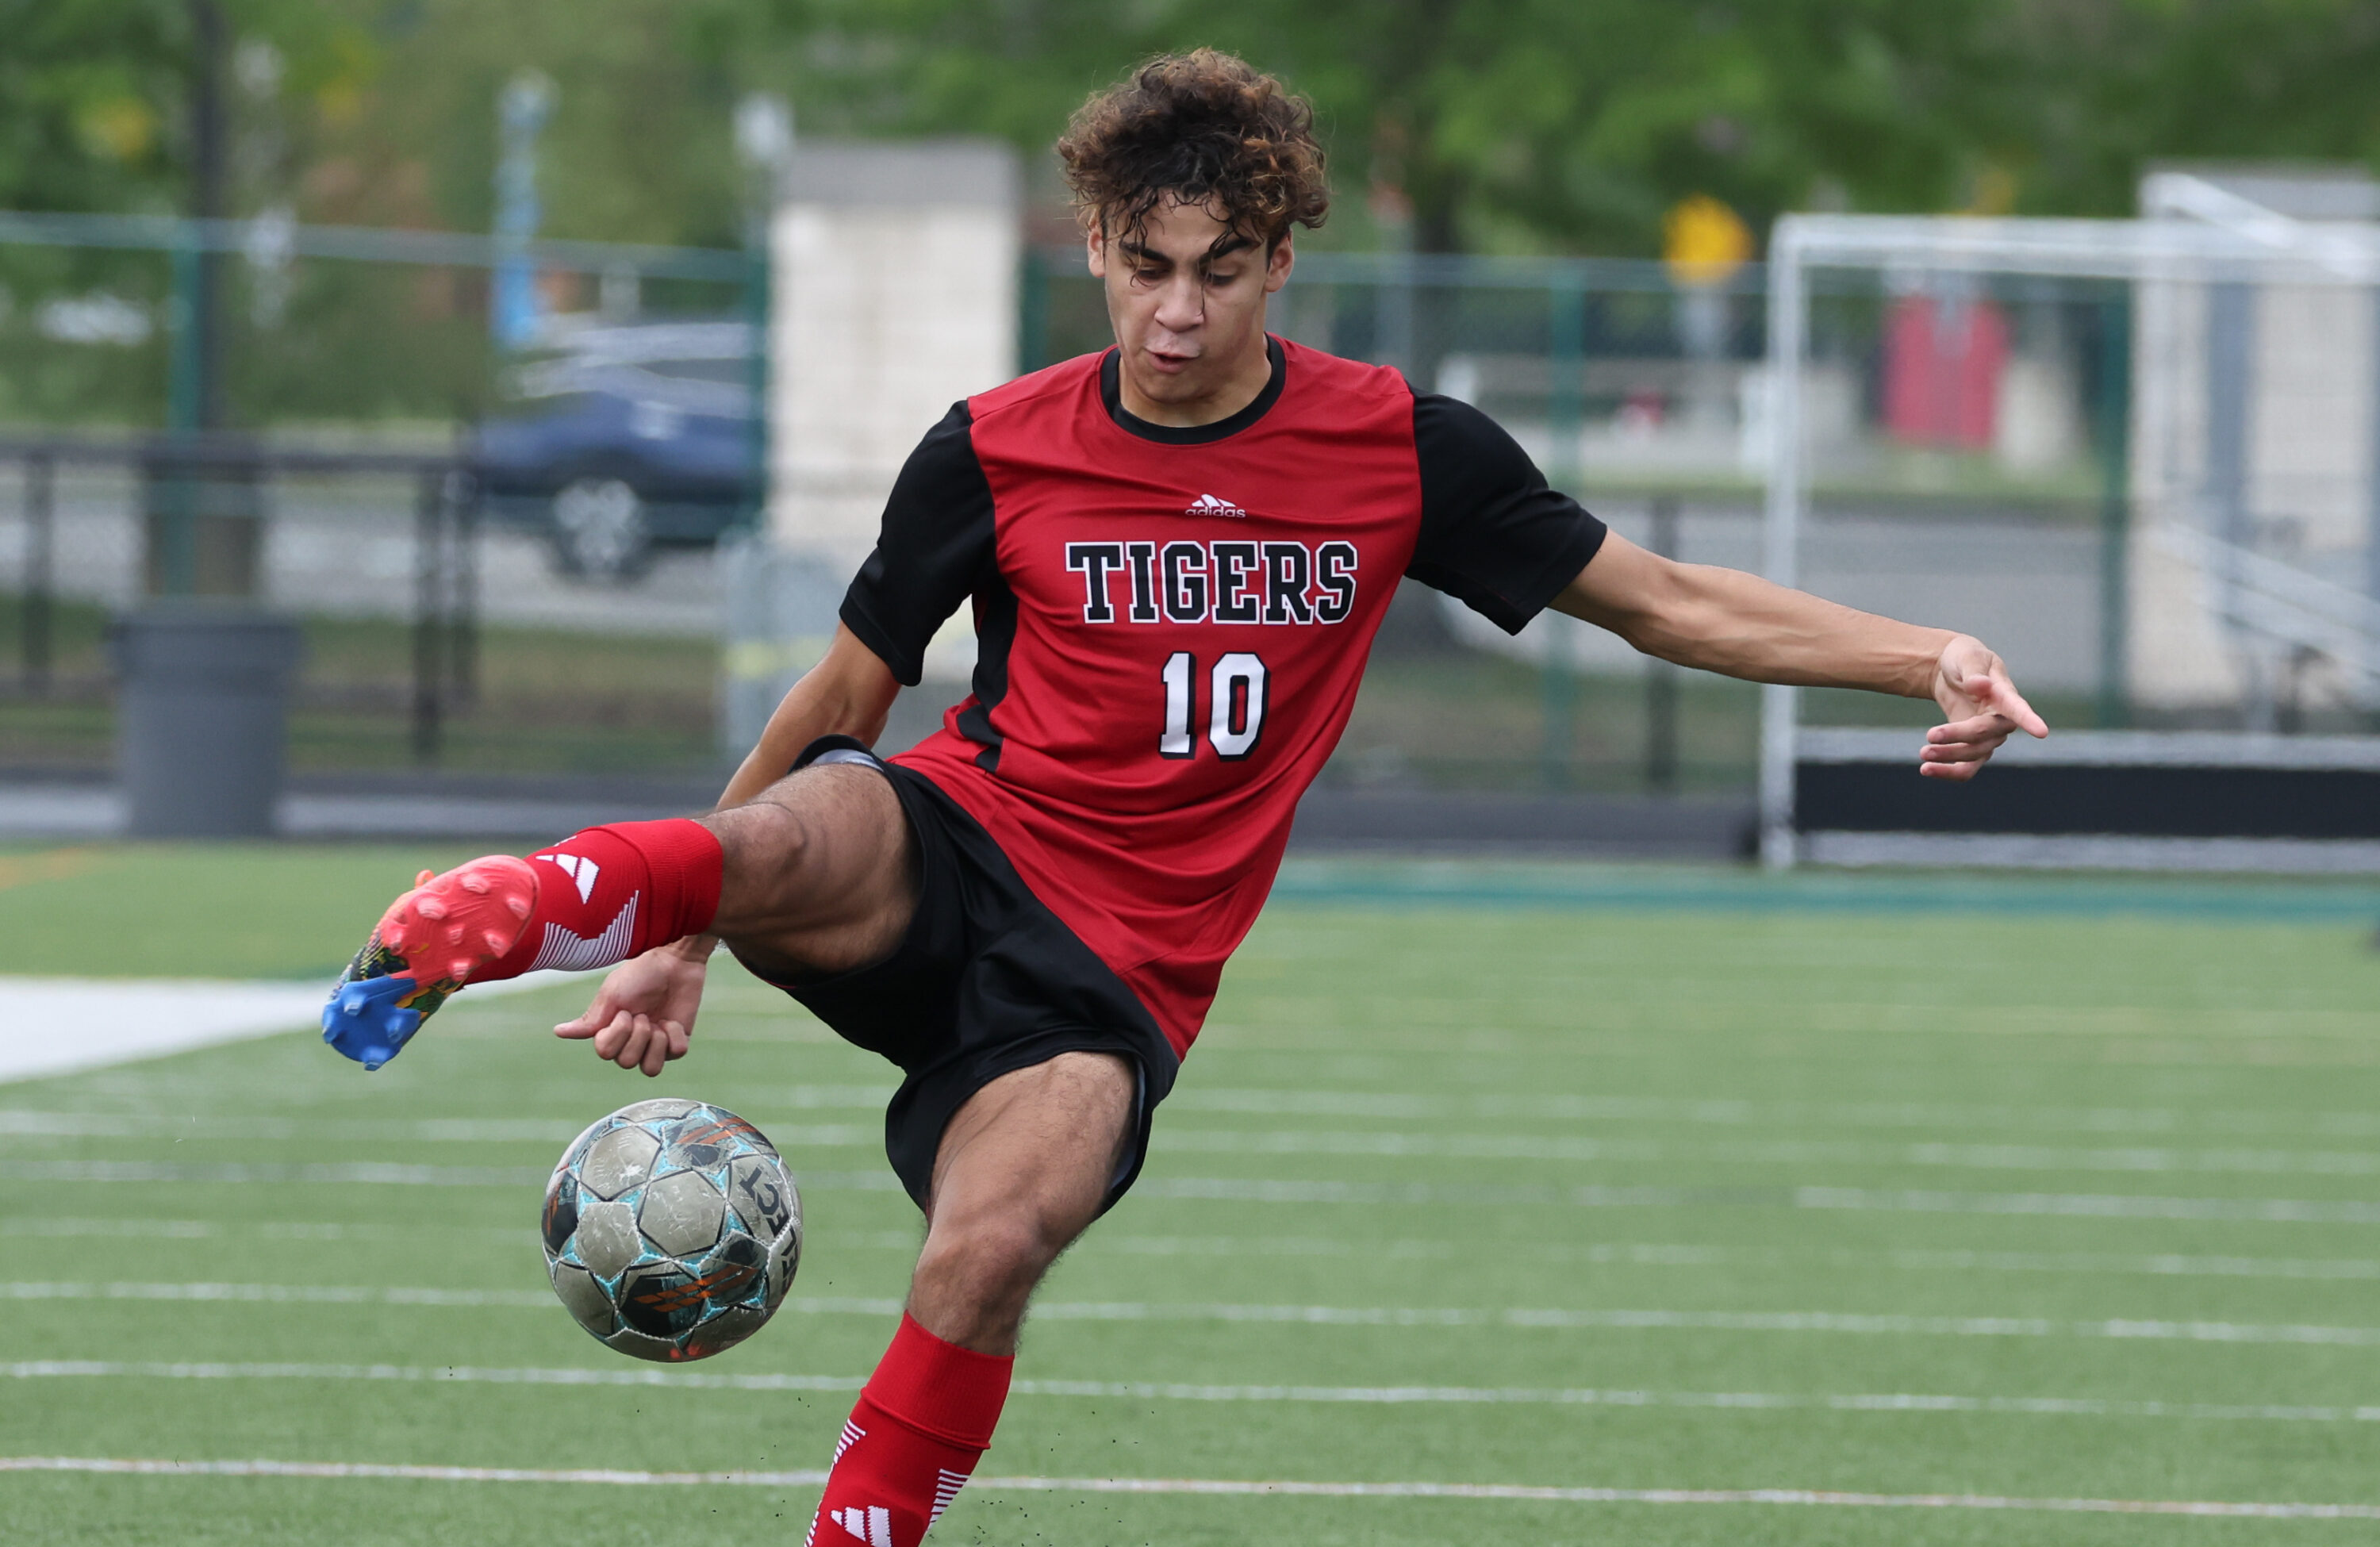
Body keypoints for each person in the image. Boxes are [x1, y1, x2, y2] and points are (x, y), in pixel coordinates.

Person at [323, 48, 2047, 1547]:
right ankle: (512, 911)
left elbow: (1663, 601)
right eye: (1143, 268)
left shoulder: (1401, 452)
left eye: (1220, 272)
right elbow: (850, 690)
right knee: (811, 820)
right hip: (958, 844)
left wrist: (1927, 656)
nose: (1176, 311)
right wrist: (687, 931)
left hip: (1115, 982)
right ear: (1091, 249)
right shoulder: (995, 444)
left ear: (1280, 261)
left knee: (989, 1253)